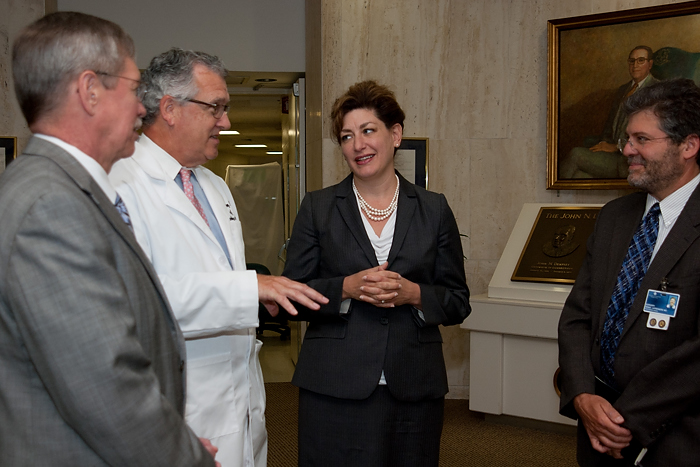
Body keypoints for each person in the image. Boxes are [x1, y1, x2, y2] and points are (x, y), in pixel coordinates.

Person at [0, 12, 217, 466]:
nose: (143, 107)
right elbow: (106, 384)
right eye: (134, 88)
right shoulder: (51, 207)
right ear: (90, 91)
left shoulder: (65, 189)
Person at [109, 48, 328, 467]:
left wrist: (255, 297)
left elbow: (218, 281)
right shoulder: (121, 183)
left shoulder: (213, 187)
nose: (226, 122)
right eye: (216, 108)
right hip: (179, 404)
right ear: (170, 109)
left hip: (240, 396)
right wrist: (248, 288)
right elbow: (134, 299)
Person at [282, 80, 471, 466]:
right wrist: (346, 289)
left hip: (414, 387)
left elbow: (457, 300)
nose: (358, 145)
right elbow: (292, 294)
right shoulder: (318, 207)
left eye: (368, 131)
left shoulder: (434, 209)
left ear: (395, 134)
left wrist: (413, 294)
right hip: (333, 385)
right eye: (347, 136)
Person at [558, 78, 700, 466]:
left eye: (641, 139)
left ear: (688, 145)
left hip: (676, 438)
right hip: (596, 426)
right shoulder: (613, 218)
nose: (627, 150)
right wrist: (583, 397)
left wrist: (626, 419)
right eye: (626, 138)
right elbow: (577, 317)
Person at [560, 46, 659, 179]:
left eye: (641, 60)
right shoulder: (623, 90)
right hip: (611, 156)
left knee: (575, 154)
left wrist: (615, 147)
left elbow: (651, 135)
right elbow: (610, 125)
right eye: (632, 61)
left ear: (650, 64)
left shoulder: (656, 90)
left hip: (631, 160)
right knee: (579, 176)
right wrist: (603, 143)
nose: (635, 65)